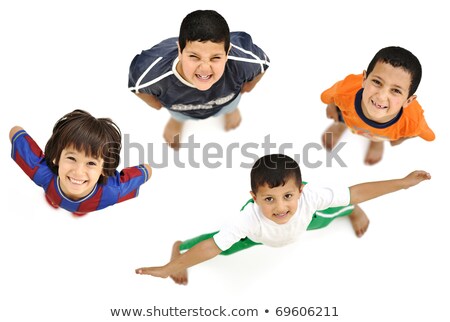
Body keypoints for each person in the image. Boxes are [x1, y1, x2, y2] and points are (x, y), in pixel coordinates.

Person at [135, 154, 430, 285]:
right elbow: (212, 247)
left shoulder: (310, 198)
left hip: (305, 222)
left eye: (287, 196)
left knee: (336, 210)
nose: (279, 207)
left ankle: (352, 213)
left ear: (300, 190)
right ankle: (178, 248)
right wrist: (169, 267)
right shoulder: (248, 220)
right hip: (258, 237)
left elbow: (356, 191)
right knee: (214, 242)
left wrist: (402, 183)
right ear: (254, 197)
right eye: (268, 199)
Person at [128, 9, 270, 149]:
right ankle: (177, 121)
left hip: (227, 101)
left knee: (230, 106)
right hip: (180, 109)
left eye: (215, 58)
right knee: (179, 115)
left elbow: (263, 64)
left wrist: (248, 88)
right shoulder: (153, 73)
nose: (204, 69)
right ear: (180, 51)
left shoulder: (244, 61)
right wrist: (157, 105)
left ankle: (230, 111)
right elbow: (137, 86)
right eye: (194, 57)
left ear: (227, 52)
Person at [10, 109, 152, 216]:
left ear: (104, 168)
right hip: (53, 193)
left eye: (91, 163)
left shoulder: (112, 192)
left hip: (89, 203)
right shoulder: (40, 171)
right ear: (56, 157)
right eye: (71, 158)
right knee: (56, 197)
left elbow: (146, 170)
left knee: (80, 208)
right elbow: (15, 131)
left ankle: (78, 210)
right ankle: (56, 201)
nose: (78, 172)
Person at [320, 46, 435, 165]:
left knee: (379, 135)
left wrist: (404, 137)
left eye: (396, 90)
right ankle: (340, 125)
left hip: (384, 133)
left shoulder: (413, 121)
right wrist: (332, 106)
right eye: (377, 82)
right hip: (348, 115)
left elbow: (427, 135)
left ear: (408, 101)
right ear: (364, 79)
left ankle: (377, 141)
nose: (381, 96)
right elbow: (327, 96)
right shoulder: (345, 91)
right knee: (343, 115)